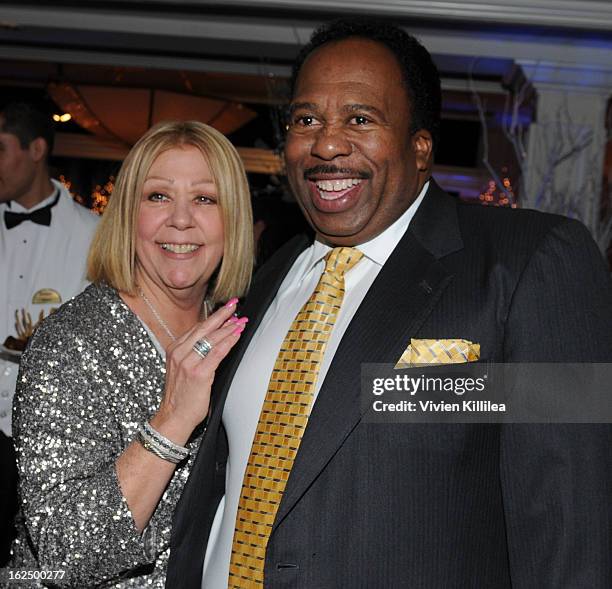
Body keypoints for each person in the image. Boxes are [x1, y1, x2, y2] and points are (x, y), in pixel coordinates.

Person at [167, 18, 612, 588]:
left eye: (360, 118)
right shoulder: (266, 275)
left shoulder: (527, 263)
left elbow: (572, 522)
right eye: (307, 119)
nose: (327, 143)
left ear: (420, 147)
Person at [9, 120, 254, 587]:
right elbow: (68, 557)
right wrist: (172, 420)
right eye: (158, 196)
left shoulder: (237, 329)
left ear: (233, 219)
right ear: (127, 213)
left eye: (205, 198)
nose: (180, 219)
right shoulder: (71, 342)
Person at [0, 101, 99, 564]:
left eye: (0, 150)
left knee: (31, 569)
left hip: (46, 446)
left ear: (36, 149)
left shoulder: (94, 236)